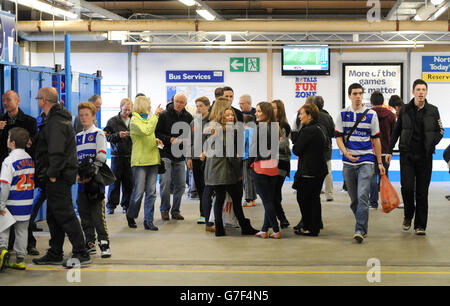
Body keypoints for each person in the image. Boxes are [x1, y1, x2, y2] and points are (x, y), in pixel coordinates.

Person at [32, 87, 90, 267]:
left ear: (44, 100)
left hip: (58, 176)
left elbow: (56, 152)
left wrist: (51, 175)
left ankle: (81, 252)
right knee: (53, 216)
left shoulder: (56, 121)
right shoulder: (54, 119)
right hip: (57, 175)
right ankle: (55, 252)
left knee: (65, 215)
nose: (37, 101)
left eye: (38, 98)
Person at [386, 79, 443, 235]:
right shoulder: (404, 110)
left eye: (423, 89)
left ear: (426, 92)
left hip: (425, 156)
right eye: (418, 89)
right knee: (408, 188)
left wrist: (432, 142)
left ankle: (420, 225)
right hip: (407, 155)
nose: (421, 92)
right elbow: (396, 131)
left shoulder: (433, 110)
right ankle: (408, 215)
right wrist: (389, 150)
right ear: (413, 92)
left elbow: (440, 131)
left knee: (422, 192)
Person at [335, 83, 385, 244]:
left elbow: (376, 140)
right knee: (354, 200)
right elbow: (338, 137)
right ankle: (361, 221)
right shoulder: (342, 114)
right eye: (355, 93)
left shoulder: (371, 115)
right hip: (348, 162)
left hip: (366, 161)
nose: (358, 96)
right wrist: (345, 152)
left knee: (363, 196)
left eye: (360, 93)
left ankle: (360, 230)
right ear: (349, 95)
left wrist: (379, 162)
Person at [204, 107, 258, 237]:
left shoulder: (214, 131)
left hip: (214, 172)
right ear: (221, 117)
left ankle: (219, 229)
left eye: (232, 116)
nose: (230, 118)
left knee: (219, 199)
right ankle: (245, 227)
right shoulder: (227, 132)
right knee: (236, 199)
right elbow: (231, 157)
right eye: (227, 115)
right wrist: (239, 173)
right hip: (226, 172)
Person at [0, 90, 38, 256]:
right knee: (5, 212)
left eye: (8, 99)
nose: (5, 103)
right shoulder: (0, 121)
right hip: (5, 169)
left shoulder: (29, 121)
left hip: (22, 168)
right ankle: (6, 247)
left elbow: (33, 145)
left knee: (23, 215)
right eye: (3, 100)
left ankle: (29, 245)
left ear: (18, 100)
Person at [75, 102, 111, 258]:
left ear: (93, 116)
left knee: (97, 216)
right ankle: (90, 243)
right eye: (81, 115)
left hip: (95, 182)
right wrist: (77, 175)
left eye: (86, 115)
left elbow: (102, 155)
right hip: (81, 183)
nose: (83, 118)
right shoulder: (77, 137)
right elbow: (75, 159)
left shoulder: (98, 133)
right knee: (84, 214)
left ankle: (104, 244)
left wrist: (90, 174)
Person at [126, 96, 164, 230]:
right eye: (148, 104)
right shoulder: (135, 121)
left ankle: (149, 221)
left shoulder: (147, 119)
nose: (150, 107)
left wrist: (156, 140)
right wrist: (156, 115)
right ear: (142, 105)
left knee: (152, 192)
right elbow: (146, 131)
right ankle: (131, 214)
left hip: (153, 160)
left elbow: (148, 135)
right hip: (140, 161)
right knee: (138, 192)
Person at [0, 128, 35, 270]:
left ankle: (2, 251)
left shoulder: (9, 160)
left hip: (11, 202)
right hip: (26, 202)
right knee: (22, 231)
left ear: (12, 143)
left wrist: (1, 204)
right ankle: (20, 259)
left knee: (3, 227)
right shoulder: (29, 159)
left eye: (8, 138)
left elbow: (4, 184)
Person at [155, 93, 192, 221]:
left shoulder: (188, 117)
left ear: (185, 104)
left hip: (180, 155)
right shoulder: (164, 115)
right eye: (176, 101)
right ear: (173, 101)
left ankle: (175, 211)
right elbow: (157, 133)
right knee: (165, 183)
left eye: (181, 102)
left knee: (181, 185)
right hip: (165, 153)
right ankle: (164, 209)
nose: (178, 104)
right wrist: (169, 139)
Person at [292, 103, 328, 237]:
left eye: (301, 114)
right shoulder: (320, 127)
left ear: (310, 115)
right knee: (314, 198)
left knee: (304, 199)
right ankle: (315, 225)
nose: (300, 117)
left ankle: (309, 227)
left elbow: (297, 149)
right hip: (319, 168)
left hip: (309, 171)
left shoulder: (308, 130)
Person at [252, 102, 281, 239]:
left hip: (261, 167)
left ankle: (275, 229)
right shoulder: (276, 128)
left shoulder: (260, 128)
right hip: (273, 168)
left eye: (258, 111)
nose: (256, 113)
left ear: (266, 112)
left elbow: (254, 150)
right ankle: (264, 229)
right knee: (268, 200)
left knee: (267, 201)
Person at [105, 98, 133, 214]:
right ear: (120, 107)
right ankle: (111, 205)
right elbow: (106, 136)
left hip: (131, 155)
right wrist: (117, 135)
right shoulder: (112, 121)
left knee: (129, 183)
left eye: (129, 110)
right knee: (114, 182)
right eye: (125, 109)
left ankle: (126, 205)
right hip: (117, 156)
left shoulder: (134, 121)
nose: (127, 112)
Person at [369, 91, 396, 209]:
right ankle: (386, 201)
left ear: (371, 102)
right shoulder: (391, 115)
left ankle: (373, 203)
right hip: (386, 150)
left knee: (372, 176)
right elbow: (395, 133)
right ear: (383, 102)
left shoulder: (369, 114)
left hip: (371, 150)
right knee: (385, 175)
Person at [187, 97, 211, 224]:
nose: (198, 108)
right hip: (196, 159)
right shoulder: (193, 123)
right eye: (197, 106)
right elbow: (189, 142)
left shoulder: (212, 122)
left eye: (201, 106)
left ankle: (211, 213)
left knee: (209, 187)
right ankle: (203, 214)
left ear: (207, 106)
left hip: (209, 160)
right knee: (200, 187)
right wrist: (189, 158)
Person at [308, 96, 335, 202]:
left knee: (313, 172)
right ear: (323, 105)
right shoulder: (328, 116)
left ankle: (314, 193)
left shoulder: (310, 116)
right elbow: (333, 132)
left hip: (312, 149)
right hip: (326, 148)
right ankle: (329, 195)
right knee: (328, 172)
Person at [271, 100, 291, 228]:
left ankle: (282, 218)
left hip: (282, 162)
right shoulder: (268, 124)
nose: (272, 110)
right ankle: (277, 219)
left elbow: (283, 144)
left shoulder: (284, 126)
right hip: (270, 161)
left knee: (274, 192)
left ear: (280, 110)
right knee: (274, 193)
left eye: (274, 108)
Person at [242, 114, 257, 207]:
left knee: (246, 179)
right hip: (254, 158)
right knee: (252, 179)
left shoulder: (246, 132)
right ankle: (253, 199)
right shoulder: (255, 131)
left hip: (246, 157)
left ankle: (248, 199)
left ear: (244, 123)